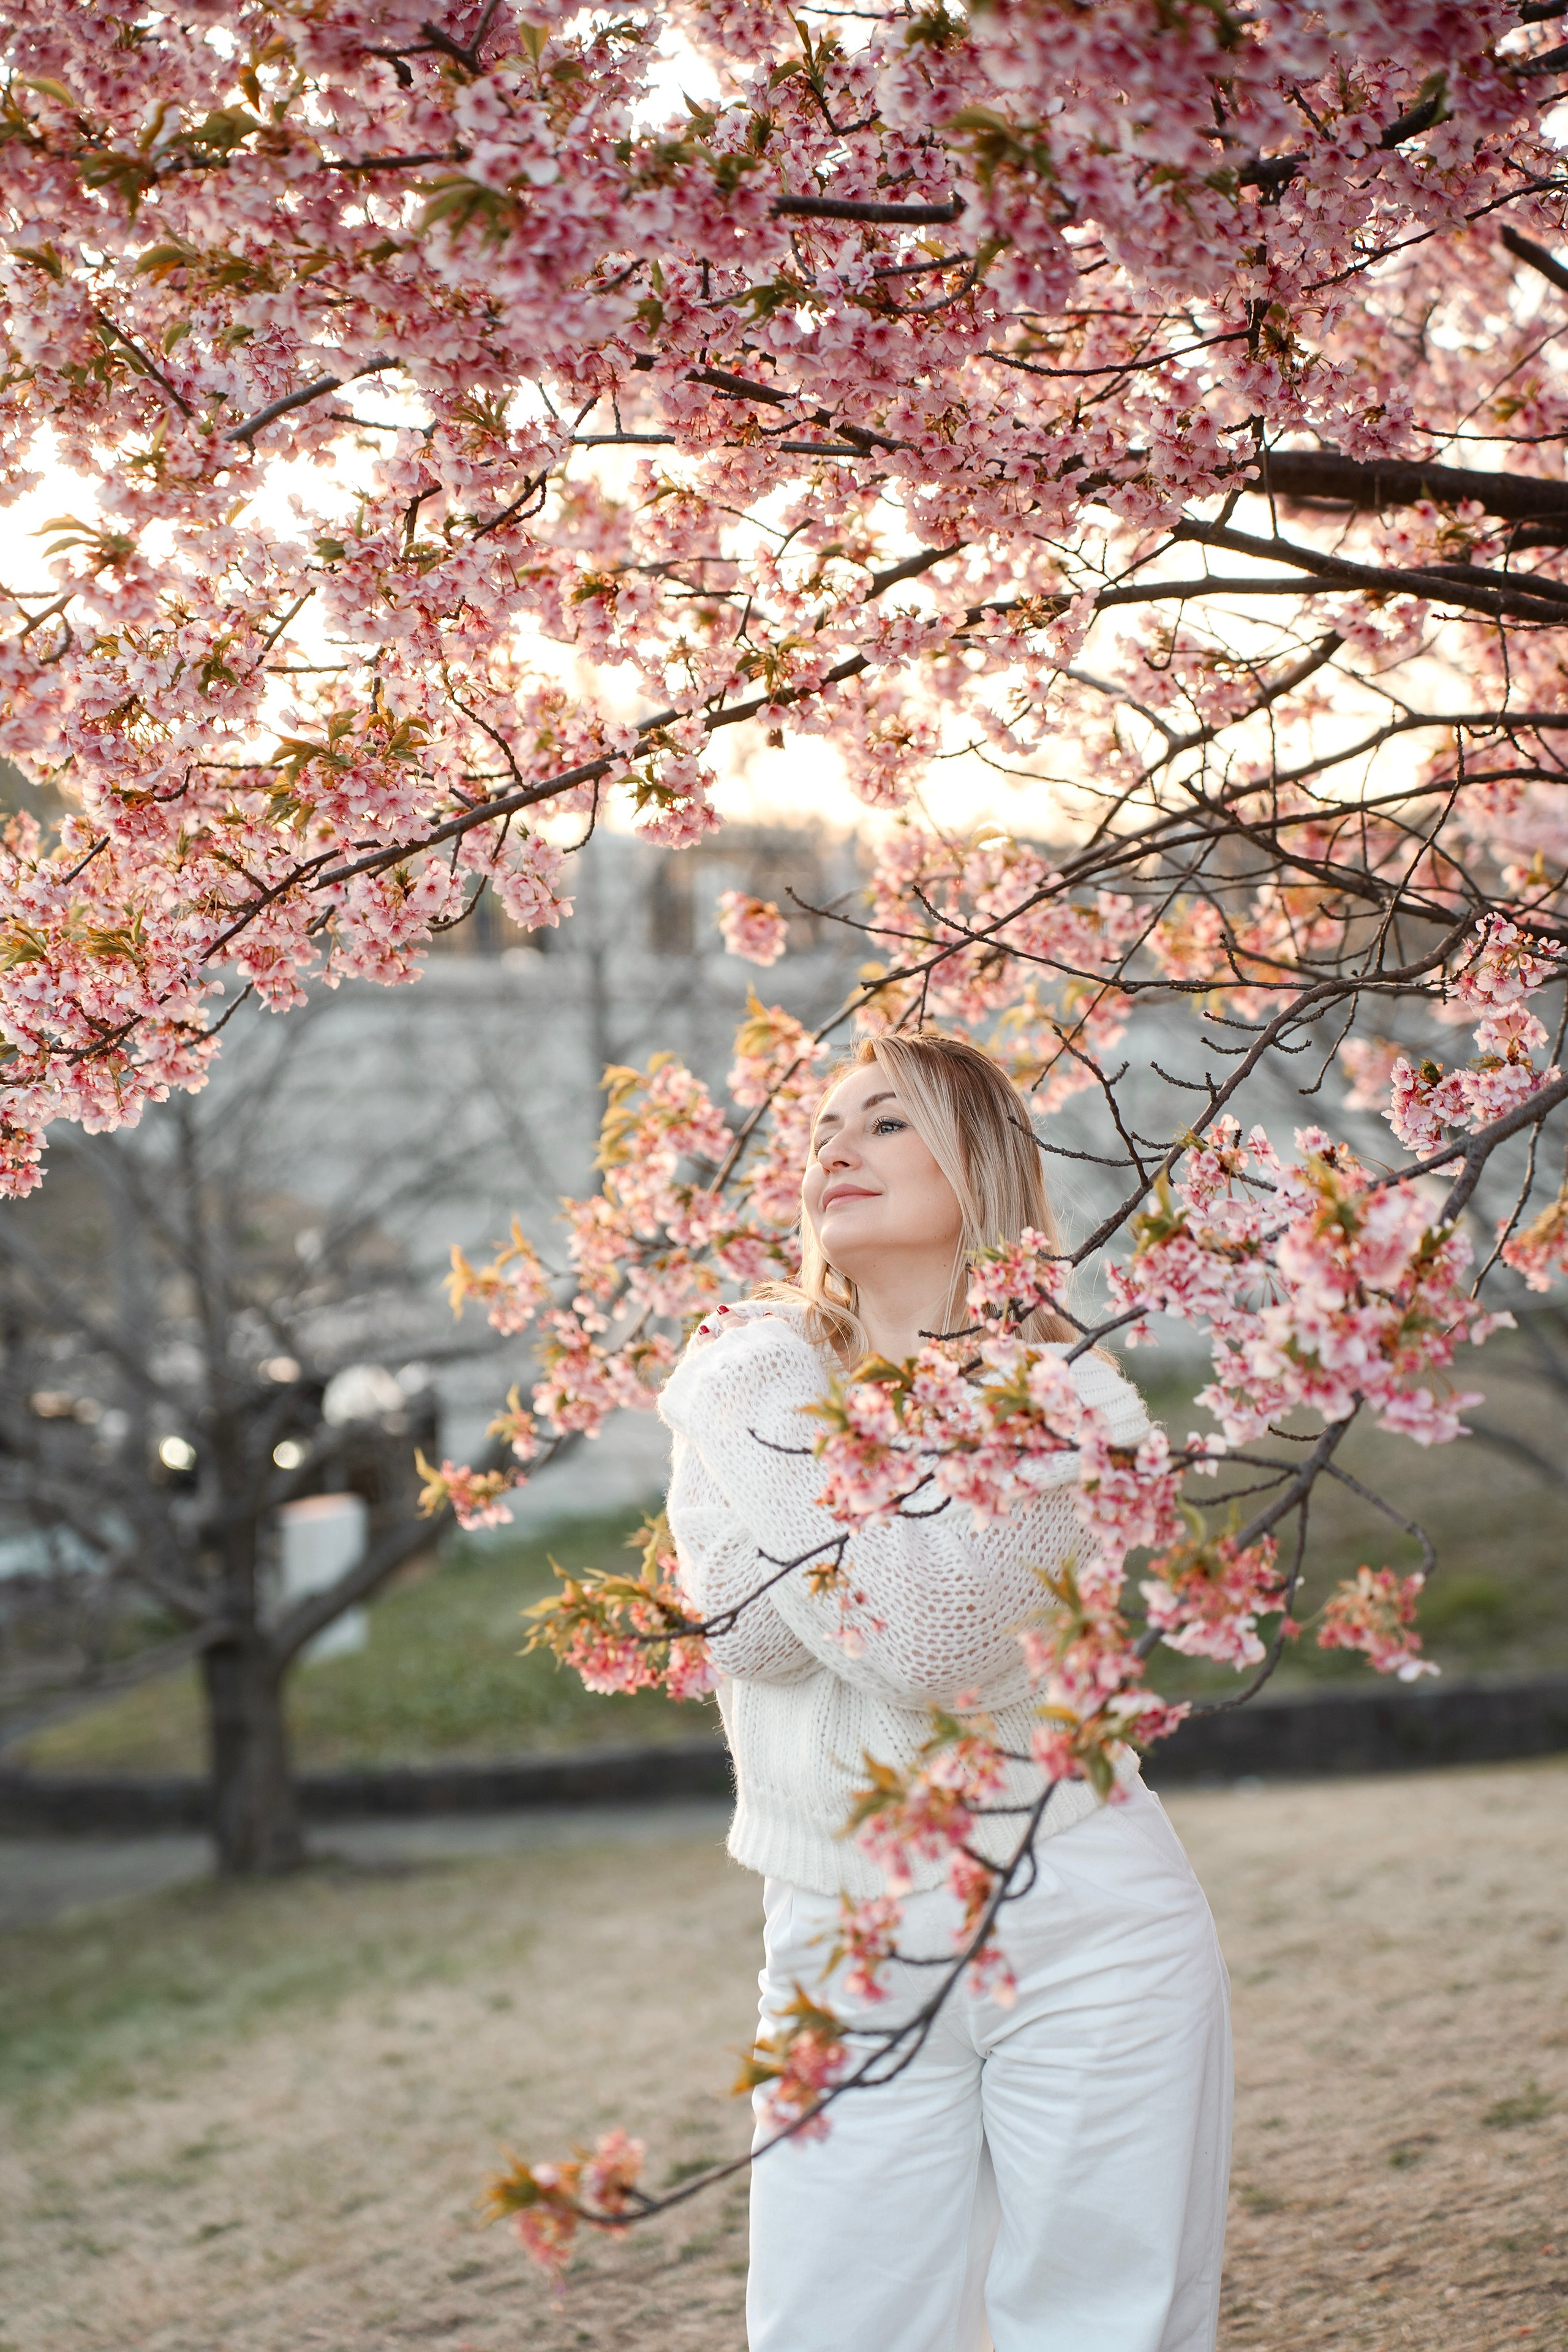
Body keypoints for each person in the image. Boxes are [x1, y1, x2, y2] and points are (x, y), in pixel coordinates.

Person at [658, 1030, 1232, 2352]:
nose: (831, 1154)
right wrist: (785, 1410)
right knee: (833, 2325)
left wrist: (766, 1422)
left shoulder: (1064, 1401)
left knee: (1102, 2321)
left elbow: (921, 1636)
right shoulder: (760, 1375)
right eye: (820, 1131)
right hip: (832, 1930)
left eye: (883, 1124)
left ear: (976, 1168)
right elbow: (747, 1637)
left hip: (1075, 1916)